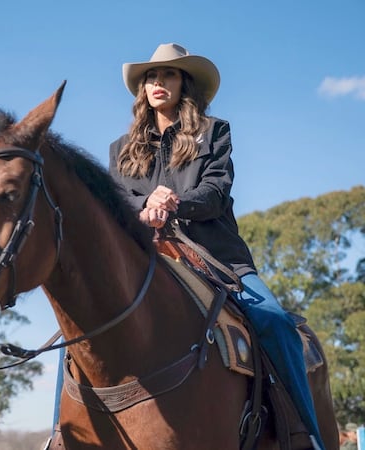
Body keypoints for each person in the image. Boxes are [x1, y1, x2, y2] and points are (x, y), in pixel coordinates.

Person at [106, 43, 325, 448]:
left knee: (275, 323)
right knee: (83, 327)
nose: (158, 82)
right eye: (151, 77)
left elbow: (216, 192)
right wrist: (143, 205)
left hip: (217, 260)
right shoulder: (120, 150)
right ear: (142, 89)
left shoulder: (214, 131)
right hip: (146, 260)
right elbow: (115, 201)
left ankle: (306, 436)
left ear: (184, 83)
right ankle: (59, 437)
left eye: (168, 75)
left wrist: (173, 202)